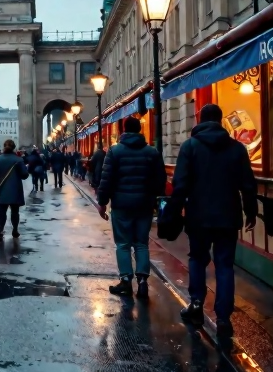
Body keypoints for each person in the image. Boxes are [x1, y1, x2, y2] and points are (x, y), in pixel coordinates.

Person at [172, 104, 257, 334]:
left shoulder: (190, 147)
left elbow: (181, 184)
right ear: (221, 121)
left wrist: (173, 210)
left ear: (200, 119)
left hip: (198, 215)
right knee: (225, 265)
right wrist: (251, 211)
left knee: (198, 259)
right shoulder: (237, 148)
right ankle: (223, 319)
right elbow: (247, 183)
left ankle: (197, 304)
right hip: (228, 215)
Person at [95, 117, 165, 298]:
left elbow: (106, 179)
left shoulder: (115, 151)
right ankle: (142, 281)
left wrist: (102, 202)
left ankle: (126, 280)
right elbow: (160, 180)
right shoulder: (152, 152)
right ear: (140, 130)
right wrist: (153, 197)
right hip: (144, 204)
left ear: (123, 130)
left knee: (123, 244)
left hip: (121, 204)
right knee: (141, 243)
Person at [0, 139, 29, 241]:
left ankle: (1, 229)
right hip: (15, 190)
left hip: (2, 190)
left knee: (2, 211)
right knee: (15, 212)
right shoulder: (18, 160)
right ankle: (15, 229)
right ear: (14, 147)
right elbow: (24, 175)